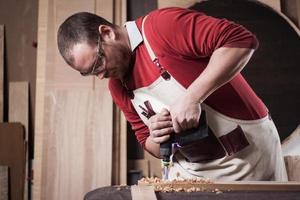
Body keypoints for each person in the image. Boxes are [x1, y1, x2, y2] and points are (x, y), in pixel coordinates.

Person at [57, 7, 287, 181]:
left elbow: (240, 40)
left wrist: (191, 98)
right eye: (89, 73)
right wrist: (156, 136)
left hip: (246, 158)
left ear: (107, 33)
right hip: (192, 174)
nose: (100, 75)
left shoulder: (161, 27)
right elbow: (146, 142)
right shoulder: (117, 87)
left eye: (98, 62)